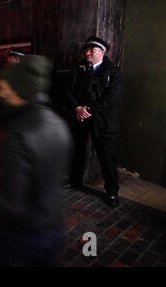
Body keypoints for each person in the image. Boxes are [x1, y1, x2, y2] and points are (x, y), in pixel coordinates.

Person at [0, 55, 72, 267]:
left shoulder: (18, 133)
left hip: (20, 234)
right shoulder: (57, 123)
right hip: (54, 226)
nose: (0, 93)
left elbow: (12, 205)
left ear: (18, 90)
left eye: (5, 88)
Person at [65, 37, 123, 207]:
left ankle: (112, 192)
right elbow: (67, 91)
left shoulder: (113, 72)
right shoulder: (78, 68)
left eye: (92, 50)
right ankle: (75, 181)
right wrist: (77, 108)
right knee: (77, 151)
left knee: (107, 157)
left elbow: (111, 99)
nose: (87, 53)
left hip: (103, 121)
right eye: (86, 50)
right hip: (80, 117)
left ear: (102, 53)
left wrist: (87, 110)